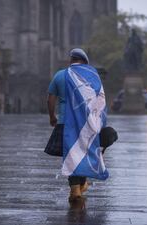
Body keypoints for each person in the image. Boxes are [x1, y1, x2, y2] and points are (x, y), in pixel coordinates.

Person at [46, 48, 109, 202]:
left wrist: (52, 117)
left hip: (64, 123)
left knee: (72, 156)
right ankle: (80, 186)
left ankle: (76, 189)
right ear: (85, 63)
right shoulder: (92, 77)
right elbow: (100, 101)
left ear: (71, 60)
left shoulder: (61, 75)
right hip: (87, 125)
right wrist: (100, 122)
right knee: (83, 153)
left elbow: (50, 99)